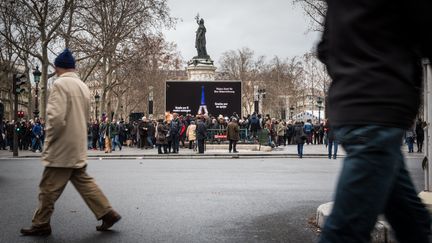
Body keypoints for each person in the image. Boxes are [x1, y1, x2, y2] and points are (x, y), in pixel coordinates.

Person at [317, 1, 432, 242]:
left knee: (413, 220)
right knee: (345, 230)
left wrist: (350, 73)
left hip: (351, 106)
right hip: (381, 108)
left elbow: (325, 48)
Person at [21, 49, 121, 236]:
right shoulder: (83, 86)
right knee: (84, 182)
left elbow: (56, 119)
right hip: (76, 143)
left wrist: (48, 142)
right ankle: (107, 212)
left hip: (61, 146)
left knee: (48, 187)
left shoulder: (60, 85)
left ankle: (41, 223)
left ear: (58, 67)